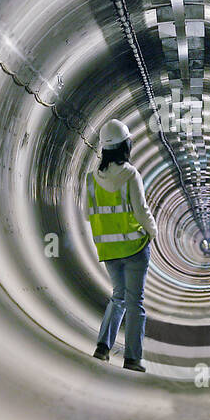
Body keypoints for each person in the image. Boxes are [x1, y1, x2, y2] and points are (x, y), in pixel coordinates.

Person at [86, 119, 158, 372]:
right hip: (135, 249)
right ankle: (132, 358)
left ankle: (103, 347)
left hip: (108, 250)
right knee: (135, 303)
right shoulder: (130, 174)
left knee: (117, 297)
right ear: (126, 145)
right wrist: (152, 231)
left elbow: (88, 213)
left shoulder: (91, 179)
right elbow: (141, 210)